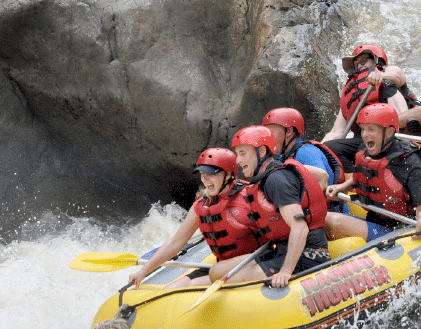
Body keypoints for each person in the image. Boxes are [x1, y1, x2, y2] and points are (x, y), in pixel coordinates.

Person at [215, 125, 330, 288]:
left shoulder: (276, 180)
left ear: (261, 152)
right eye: (237, 154)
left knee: (227, 284)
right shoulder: (270, 174)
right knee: (216, 272)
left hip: (308, 255)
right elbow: (322, 176)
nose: (238, 161)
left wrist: (285, 272)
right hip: (282, 249)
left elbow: (300, 228)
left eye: (243, 154)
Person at [128, 148, 258, 289]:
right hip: (221, 264)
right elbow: (175, 243)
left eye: (211, 174)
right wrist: (143, 270)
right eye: (202, 174)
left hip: (252, 262)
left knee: (195, 284)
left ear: (227, 175)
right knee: (168, 291)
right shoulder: (202, 205)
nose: (205, 179)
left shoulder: (249, 197)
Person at [325, 103, 421, 242]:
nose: (364, 135)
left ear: (389, 132)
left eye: (371, 129)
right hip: (375, 219)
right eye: (363, 129)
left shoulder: (408, 161)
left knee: (332, 220)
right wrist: (343, 187)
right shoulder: (365, 151)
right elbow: (363, 175)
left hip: (402, 229)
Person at [322, 44, 411, 172]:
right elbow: (336, 132)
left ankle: (367, 177)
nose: (360, 66)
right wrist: (317, 148)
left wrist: (381, 76)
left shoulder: (388, 75)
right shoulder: (352, 94)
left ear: (376, 60)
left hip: (389, 138)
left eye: (364, 61)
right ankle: (358, 178)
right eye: (356, 64)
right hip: (363, 141)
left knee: (387, 86)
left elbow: (398, 76)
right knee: (329, 149)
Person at [262, 107, 343, 190]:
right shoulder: (283, 156)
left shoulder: (306, 152)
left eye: (271, 132)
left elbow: (322, 182)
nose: (268, 138)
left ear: (289, 131)